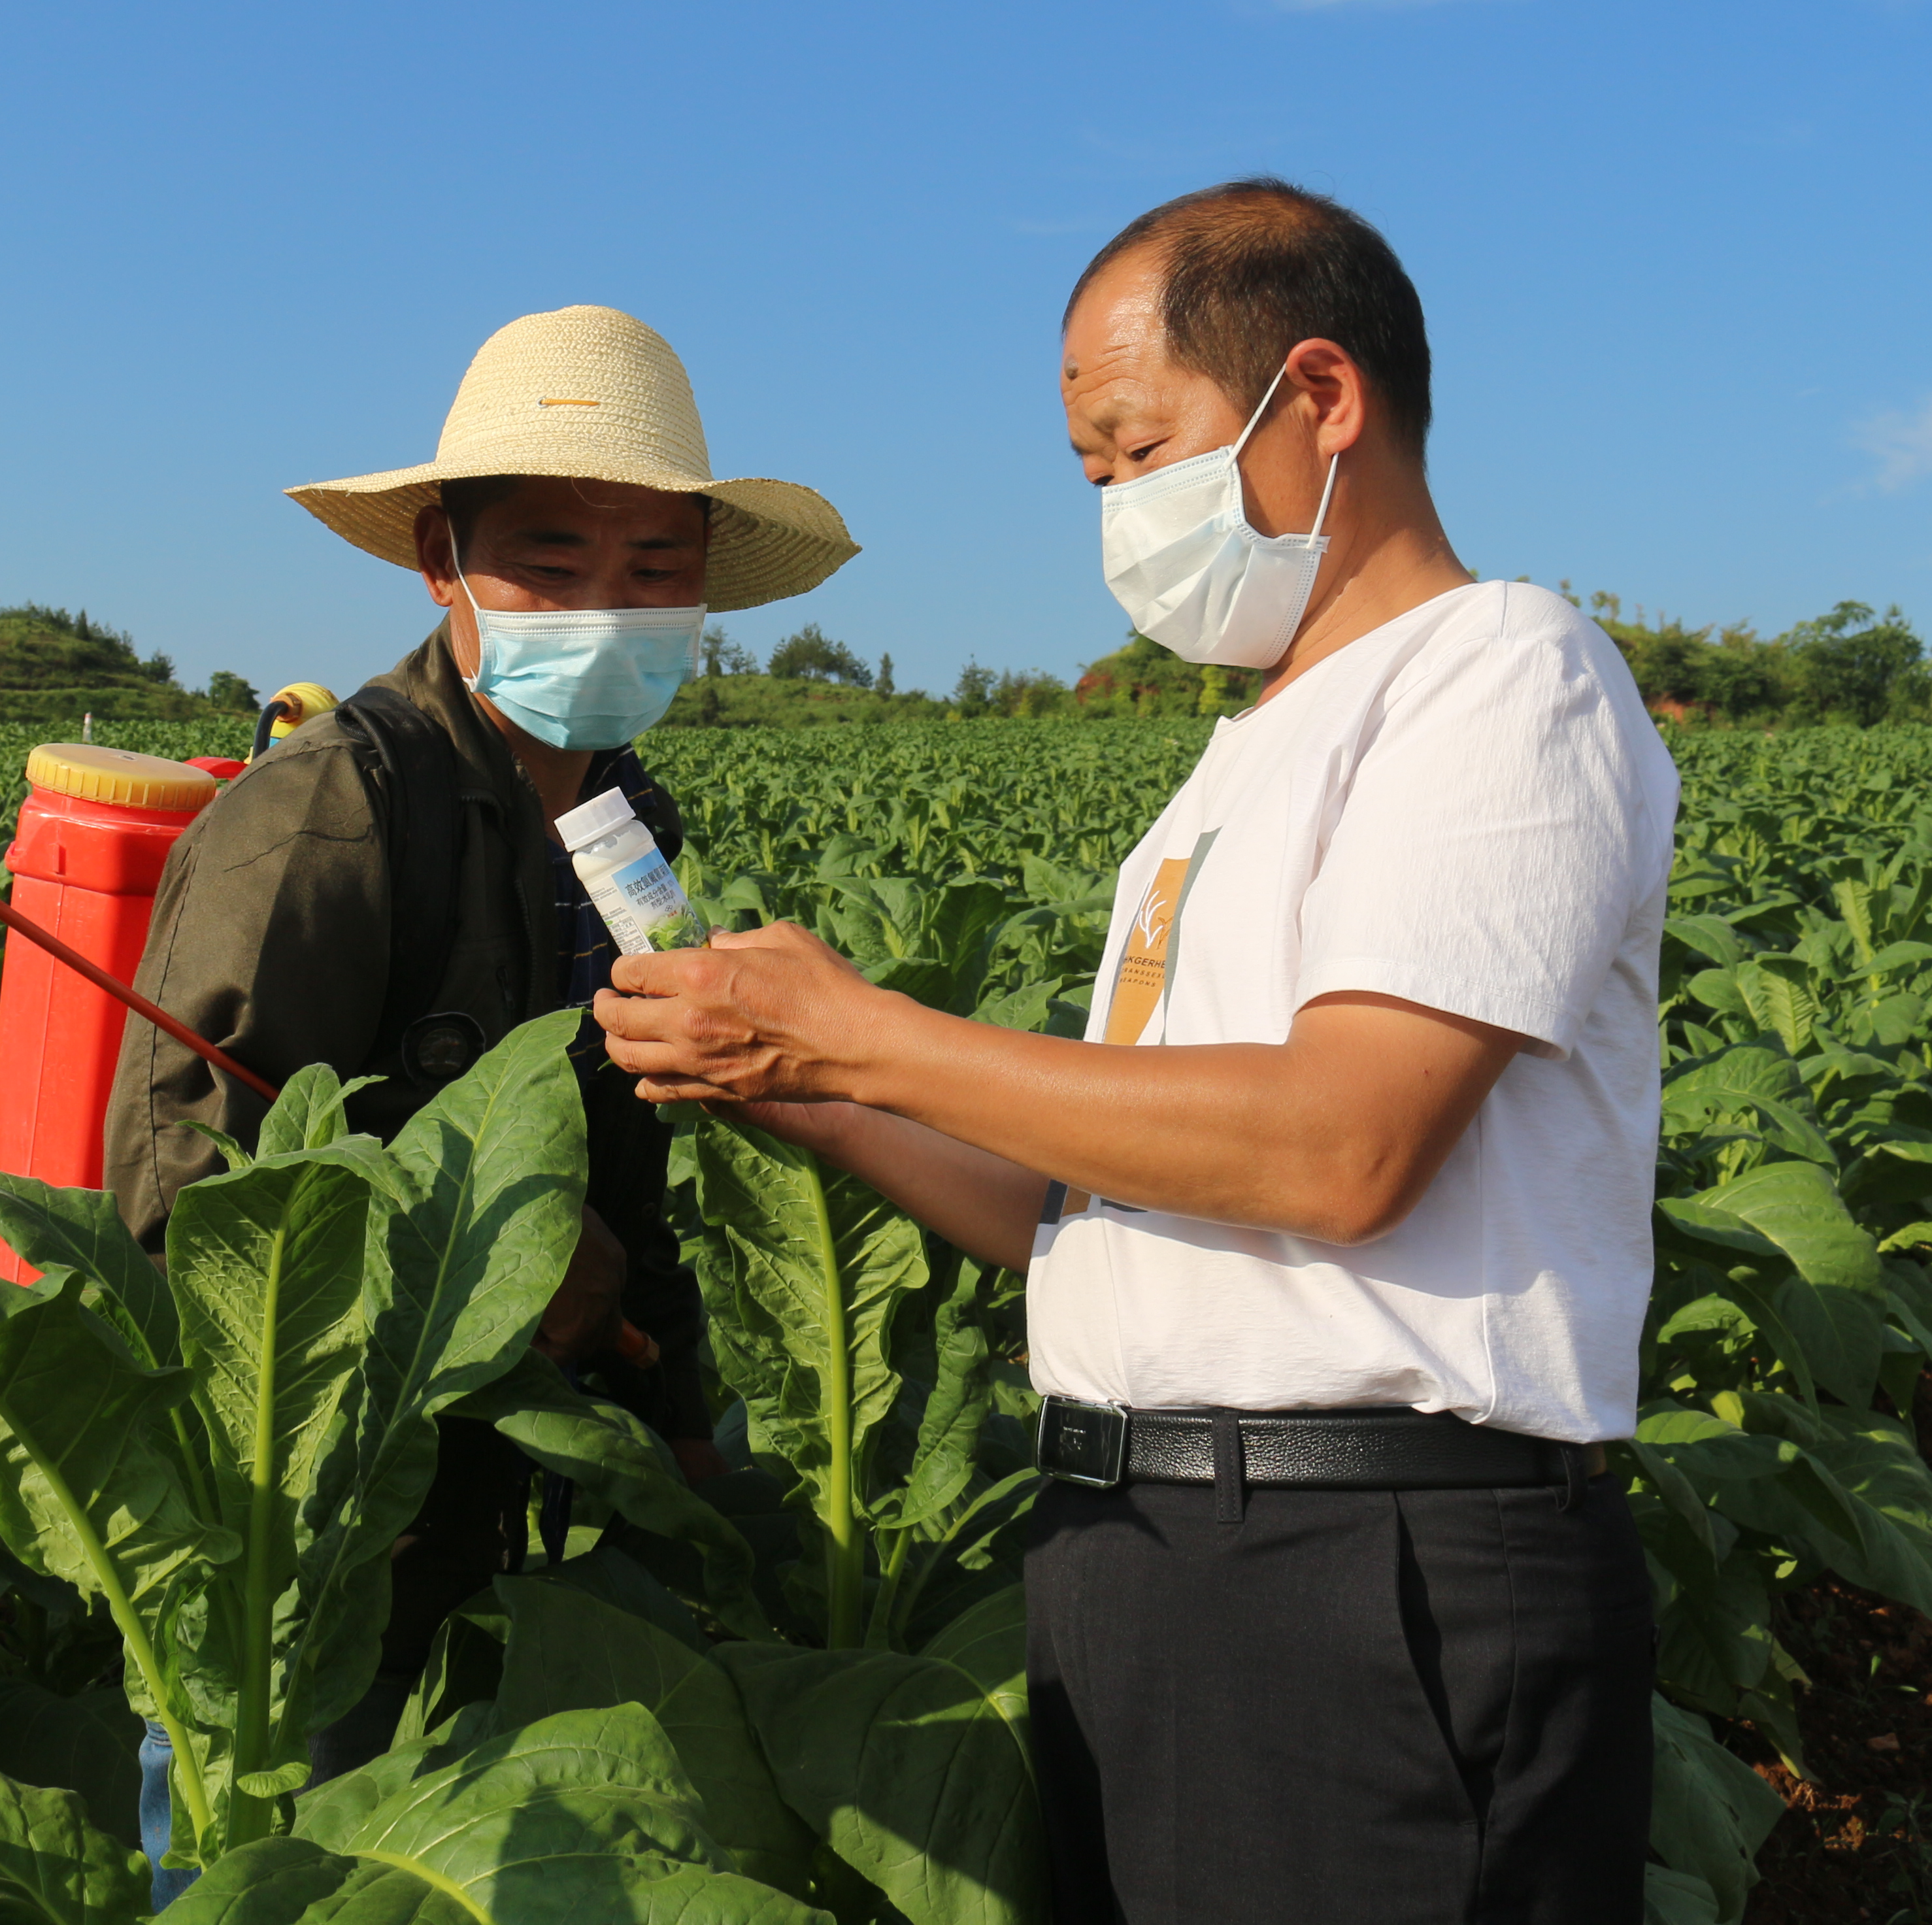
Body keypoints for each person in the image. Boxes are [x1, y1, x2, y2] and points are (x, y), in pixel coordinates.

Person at [595, 180, 1675, 1924]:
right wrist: (806, 1080)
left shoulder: (1496, 672)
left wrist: (869, 1029)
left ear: (1320, 397)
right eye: (1092, 473)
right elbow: (1085, 1206)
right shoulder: (1248, 751)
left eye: (1134, 447)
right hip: (1150, 1556)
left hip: (1366, 1574)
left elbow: (1340, 1146)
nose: (1112, 509)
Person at [102, 301, 859, 1781]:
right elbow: (191, 1210)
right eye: (553, 562)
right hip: (303, 1540)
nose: (607, 606)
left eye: (653, 568)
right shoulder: (327, 820)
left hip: (496, 1513)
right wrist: (480, 1268)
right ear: (443, 559)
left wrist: (678, 1414)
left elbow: (624, 1151)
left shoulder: (629, 820)